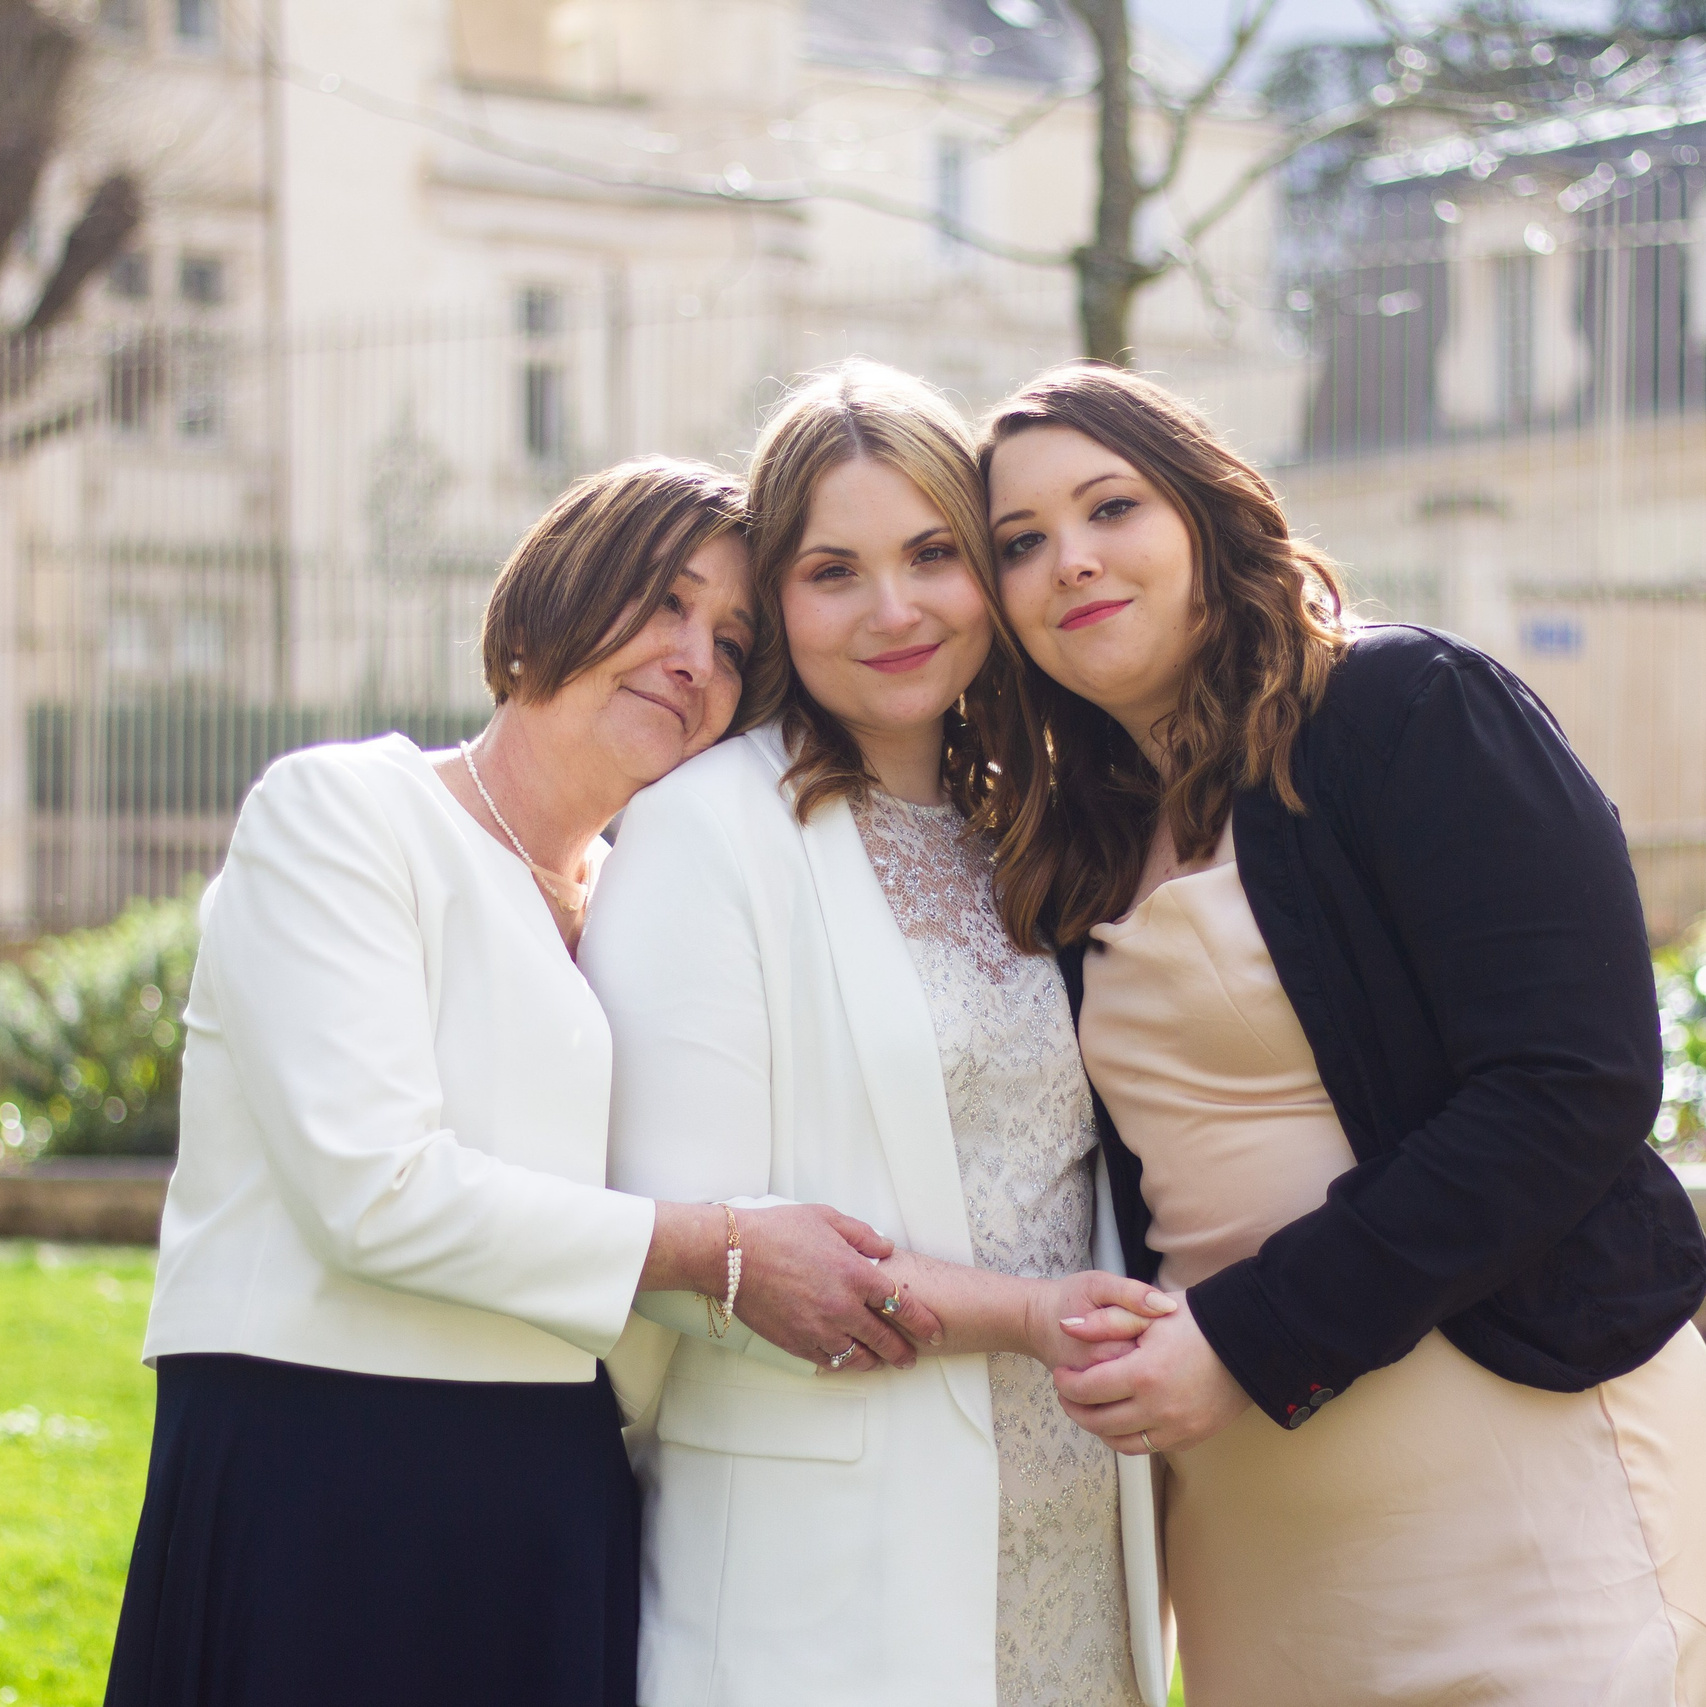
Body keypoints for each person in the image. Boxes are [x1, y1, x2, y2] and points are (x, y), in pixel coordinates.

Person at [104, 456, 944, 1707]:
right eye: (660, 603)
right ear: (556, 591)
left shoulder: (649, 900)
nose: (691, 660)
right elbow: (372, 1192)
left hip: (555, 1478)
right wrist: (724, 1249)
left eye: (730, 641)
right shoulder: (346, 813)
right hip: (317, 1463)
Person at [977, 361, 1706, 1706]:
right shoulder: (1071, 838)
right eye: (1018, 542)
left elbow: (1570, 1083)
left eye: (1108, 506)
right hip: (1257, 1540)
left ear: (1204, 510)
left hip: (1526, 1484)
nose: (1066, 560)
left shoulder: (1403, 710)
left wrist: (1251, 1337)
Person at [578, 363, 1174, 1707]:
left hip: (1076, 1527)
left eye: (931, 555)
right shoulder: (703, 828)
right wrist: (1027, 1318)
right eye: (833, 569)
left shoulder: (1032, 826)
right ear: (778, 603)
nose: (893, 608)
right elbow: (687, 1254)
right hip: (830, 1563)